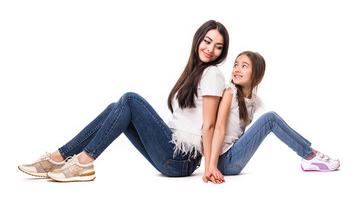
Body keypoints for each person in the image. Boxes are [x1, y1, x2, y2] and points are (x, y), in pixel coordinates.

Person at [18, 20, 229, 182]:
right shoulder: (195, 73)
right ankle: (60, 157)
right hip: (173, 154)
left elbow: (209, 125)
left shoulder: (212, 74)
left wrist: (210, 166)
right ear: (198, 40)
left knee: (130, 100)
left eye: (218, 46)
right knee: (115, 109)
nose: (210, 49)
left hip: (181, 158)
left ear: (222, 52)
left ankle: (83, 162)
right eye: (207, 41)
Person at [203, 51, 340, 184]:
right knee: (270, 118)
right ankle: (309, 155)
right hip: (224, 161)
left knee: (271, 118)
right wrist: (211, 166)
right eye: (236, 65)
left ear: (256, 75)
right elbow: (218, 128)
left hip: (233, 160)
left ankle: (310, 153)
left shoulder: (253, 101)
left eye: (244, 66)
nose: (237, 69)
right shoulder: (229, 92)